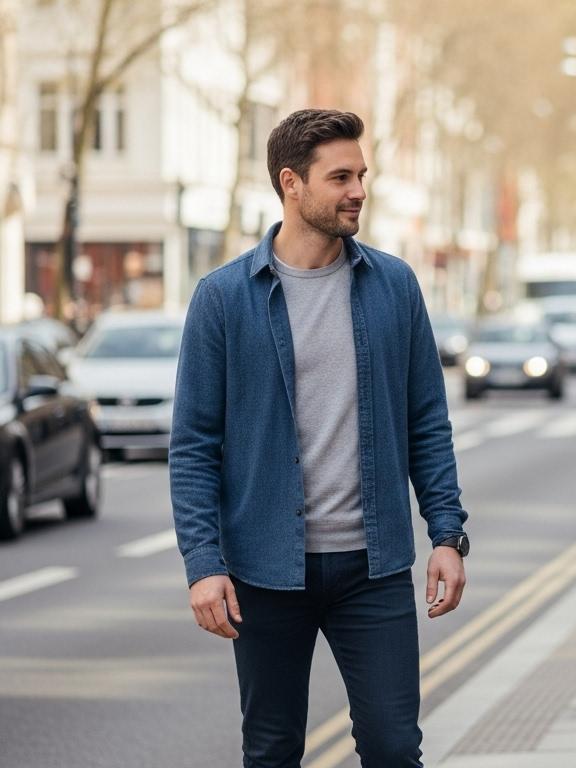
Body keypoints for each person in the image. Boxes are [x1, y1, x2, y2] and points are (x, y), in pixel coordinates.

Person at [170, 109, 469, 766]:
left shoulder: (394, 285)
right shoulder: (223, 299)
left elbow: (428, 421)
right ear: (291, 184)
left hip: (375, 566)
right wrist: (204, 565)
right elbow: (193, 446)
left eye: (361, 175)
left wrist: (446, 534)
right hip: (265, 571)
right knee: (273, 749)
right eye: (341, 177)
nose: (358, 189)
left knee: (394, 748)